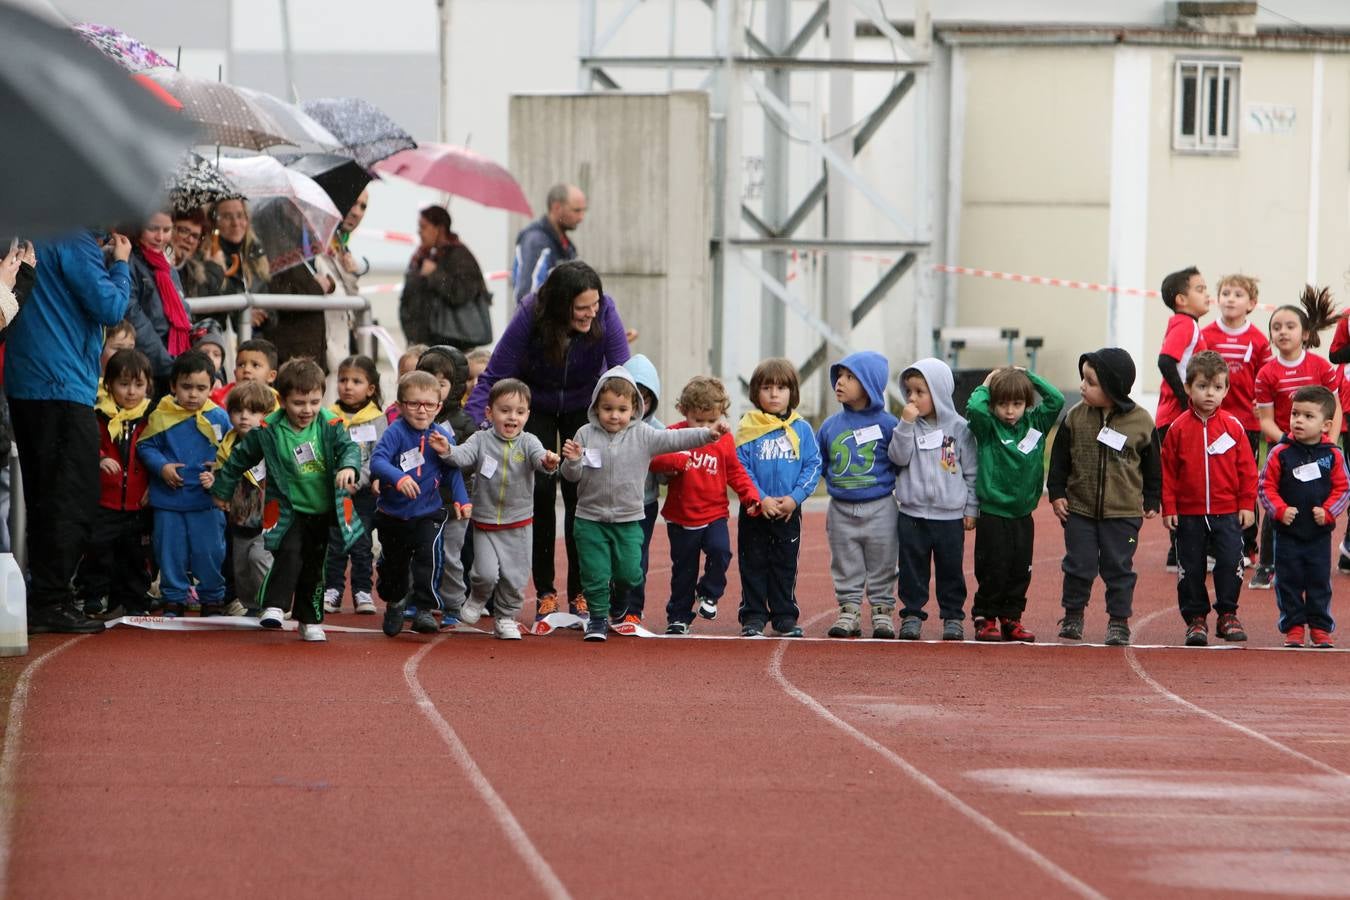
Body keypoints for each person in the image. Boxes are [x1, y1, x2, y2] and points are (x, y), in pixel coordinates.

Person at [466, 260, 630, 622]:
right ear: (559, 305)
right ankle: (545, 591)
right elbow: (496, 373)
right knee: (538, 491)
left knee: (581, 496)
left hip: (582, 406)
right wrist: (473, 424)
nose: (591, 314)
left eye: (595, 305)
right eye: (581, 308)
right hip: (535, 404)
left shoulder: (606, 312)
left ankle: (582, 591)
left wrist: (637, 423)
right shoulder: (531, 313)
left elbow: (622, 371)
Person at [8, 229, 132, 633]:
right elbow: (110, 307)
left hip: (27, 381)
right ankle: (51, 599)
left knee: (45, 496)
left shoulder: (29, 229)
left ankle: (46, 594)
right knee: (71, 497)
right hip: (61, 383)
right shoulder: (73, 237)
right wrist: (121, 265)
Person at [561, 366, 725, 642]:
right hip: (590, 519)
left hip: (628, 519)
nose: (614, 415)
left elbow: (675, 438)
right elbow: (570, 476)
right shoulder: (585, 434)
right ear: (596, 407)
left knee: (629, 573)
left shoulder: (643, 435)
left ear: (634, 408)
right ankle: (598, 619)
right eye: (607, 408)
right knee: (595, 572)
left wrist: (708, 434)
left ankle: (618, 601)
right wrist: (573, 461)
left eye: (622, 409)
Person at [212, 358, 362, 642]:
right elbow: (238, 459)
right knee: (289, 552)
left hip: (322, 510)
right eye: (298, 403)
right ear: (282, 400)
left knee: (314, 567)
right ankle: (274, 605)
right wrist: (222, 490)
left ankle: (310, 620)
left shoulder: (329, 424)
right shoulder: (268, 431)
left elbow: (348, 449)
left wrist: (348, 467)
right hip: (288, 510)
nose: (307, 410)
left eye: (314, 402)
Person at [1047, 348, 1162, 646]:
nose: (1082, 386)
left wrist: (1152, 497)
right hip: (1080, 510)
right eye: (1082, 378)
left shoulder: (1141, 422)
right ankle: (1073, 615)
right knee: (1078, 565)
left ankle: (1118, 621)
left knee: (1118, 568)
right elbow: (1059, 459)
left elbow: (1153, 465)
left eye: (1091, 381)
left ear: (1113, 387)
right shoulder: (1075, 417)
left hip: (1122, 513)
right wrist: (1057, 493)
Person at [432, 378, 561, 639]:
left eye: (520, 412)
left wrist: (548, 461)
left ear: (527, 415)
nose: (512, 417)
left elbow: (540, 459)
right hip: (486, 522)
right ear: (490, 413)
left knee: (515, 578)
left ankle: (505, 617)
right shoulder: (480, 439)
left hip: (519, 524)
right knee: (484, 573)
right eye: (505, 410)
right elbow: (462, 456)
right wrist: (447, 451)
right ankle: (477, 598)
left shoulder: (529, 442)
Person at [1160, 351, 1256, 647]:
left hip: (1227, 512)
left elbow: (1247, 470)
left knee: (1230, 562)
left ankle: (1227, 613)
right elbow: (1168, 472)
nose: (1210, 393)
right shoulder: (1177, 428)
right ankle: (1196, 619)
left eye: (1217, 387)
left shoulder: (1234, 427)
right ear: (1188, 388)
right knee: (1190, 567)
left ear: (1227, 389)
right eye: (1202, 386)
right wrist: (1170, 507)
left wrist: (1246, 504)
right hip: (1189, 514)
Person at [651, 375, 760, 635]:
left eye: (712, 420)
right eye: (698, 421)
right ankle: (678, 616)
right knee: (683, 571)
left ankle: (709, 594)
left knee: (721, 551)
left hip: (714, 514)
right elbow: (654, 460)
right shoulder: (674, 434)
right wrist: (676, 461)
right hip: (681, 518)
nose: (706, 427)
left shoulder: (723, 439)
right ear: (683, 411)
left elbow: (735, 472)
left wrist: (750, 497)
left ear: (721, 414)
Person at [1250, 286, 1343, 590]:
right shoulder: (1266, 374)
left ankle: (1316, 562)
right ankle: (1266, 564)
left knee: (1316, 503)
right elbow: (1265, 421)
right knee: (1276, 503)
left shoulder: (1320, 367)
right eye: (1276, 327)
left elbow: (1336, 407)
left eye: (1290, 326)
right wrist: (1291, 443)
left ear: (1305, 333)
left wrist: (1327, 441)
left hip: (1321, 449)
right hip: (1285, 449)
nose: (1282, 332)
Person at [966, 365, 1064, 643]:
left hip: (1023, 514)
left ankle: (1012, 617)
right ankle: (985, 617)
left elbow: (1056, 399)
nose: (1010, 411)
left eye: (1017, 404)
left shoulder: (1037, 424)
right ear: (994, 405)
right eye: (1003, 404)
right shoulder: (988, 428)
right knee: (993, 567)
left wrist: (1029, 376)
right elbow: (974, 408)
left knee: (1020, 568)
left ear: (1027, 403)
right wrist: (987, 382)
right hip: (994, 513)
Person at [372, 371, 470, 637]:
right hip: (393, 514)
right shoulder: (395, 433)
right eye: (414, 404)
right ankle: (395, 601)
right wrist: (398, 477)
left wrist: (462, 498)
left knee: (429, 559)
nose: (421, 410)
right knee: (395, 567)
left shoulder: (441, 436)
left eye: (429, 404)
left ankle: (424, 608)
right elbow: (377, 462)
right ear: (401, 405)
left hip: (428, 512)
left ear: (438, 406)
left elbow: (452, 470)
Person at [136, 350, 232, 618]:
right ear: (173, 386)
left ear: (212, 387)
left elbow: (231, 451)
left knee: (210, 551)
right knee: (170, 551)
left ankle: (212, 598)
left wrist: (219, 470)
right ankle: (174, 598)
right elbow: (146, 446)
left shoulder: (220, 417)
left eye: (201, 388)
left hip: (207, 501)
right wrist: (162, 467)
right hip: (169, 499)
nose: (193, 394)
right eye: (186, 387)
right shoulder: (161, 415)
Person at [890, 358, 979, 642]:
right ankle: (912, 614)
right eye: (909, 392)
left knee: (951, 569)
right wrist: (905, 424)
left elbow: (971, 471)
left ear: (939, 392)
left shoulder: (960, 428)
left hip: (949, 516)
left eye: (920, 392)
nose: (912, 398)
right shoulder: (908, 427)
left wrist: (971, 507)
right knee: (912, 568)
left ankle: (953, 616)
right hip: (912, 514)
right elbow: (898, 457)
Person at [734, 358, 822, 638]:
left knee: (785, 564)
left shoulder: (802, 429)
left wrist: (795, 498)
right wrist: (760, 498)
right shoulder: (747, 428)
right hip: (754, 511)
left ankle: (784, 615)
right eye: (767, 387)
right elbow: (740, 467)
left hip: (787, 511)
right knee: (753, 563)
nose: (774, 394)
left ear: (792, 392)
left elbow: (813, 464)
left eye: (781, 388)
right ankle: (754, 615)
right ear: (755, 393)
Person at [815, 352, 900, 639]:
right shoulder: (829, 426)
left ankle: (882, 612)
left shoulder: (889, 425)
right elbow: (820, 462)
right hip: (840, 508)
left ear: (869, 384)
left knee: (884, 560)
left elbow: (900, 460)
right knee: (844, 561)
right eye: (839, 376)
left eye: (850, 377)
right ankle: (849, 610)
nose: (840, 382)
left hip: (880, 507)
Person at [1259, 386, 1349, 648]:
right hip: (1287, 534)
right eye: (1295, 414)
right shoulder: (1280, 453)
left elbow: (1343, 488)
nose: (1298, 420)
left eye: (1308, 416)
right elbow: (1265, 487)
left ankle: (1320, 627)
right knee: (1288, 581)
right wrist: (1279, 509)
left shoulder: (1333, 455)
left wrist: (1330, 511)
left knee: (1319, 580)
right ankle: (1294, 626)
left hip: (1319, 535)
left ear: (1326, 424)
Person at [1201, 274, 1270, 568]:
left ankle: (1247, 545)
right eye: (1225, 293)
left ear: (1251, 303)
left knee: (1244, 483)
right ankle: (1210, 545)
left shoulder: (1258, 339)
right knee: (1211, 481)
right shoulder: (1206, 334)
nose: (1230, 298)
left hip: (1247, 425)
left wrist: (1264, 405)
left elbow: (1266, 379)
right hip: (1211, 423)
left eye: (1238, 294)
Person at [78, 349, 154, 617]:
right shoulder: (99, 415)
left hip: (137, 503)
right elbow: (85, 444)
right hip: (105, 499)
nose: (131, 392)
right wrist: (99, 459)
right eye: (123, 384)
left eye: (138, 384)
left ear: (148, 386)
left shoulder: (153, 418)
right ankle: (93, 595)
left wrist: (153, 487)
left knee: (135, 554)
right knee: (99, 549)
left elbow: (160, 455)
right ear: (108, 385)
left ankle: (133, 599)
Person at [322, 356, 386, 615]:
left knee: (360, 543)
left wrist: (358, 481)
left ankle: (362, 590)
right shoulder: (328, 417)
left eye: (356, 381)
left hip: (362, 495)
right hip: (334, 493)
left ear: (370, 389)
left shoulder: (377, 419)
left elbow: (378, 456)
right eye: (343, 380)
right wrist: (334, 480)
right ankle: (333, 589)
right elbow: (323, 453)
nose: (348, 386)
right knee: (335, 543)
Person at [1156, 266, 1210, 571]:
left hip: (1175, 416)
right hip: (1176, 418)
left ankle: (1181, 548)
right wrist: (1185, 398)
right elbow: (1166, 360)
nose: (1207, 295)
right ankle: (1179, 549)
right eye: (1200, 289)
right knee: (1184, 480)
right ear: (1181, 299)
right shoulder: (1186, 325)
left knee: (1185, 479)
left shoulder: (1188, 325)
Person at [417, 345, 473, 618]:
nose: (435, 390)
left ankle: (453, 604)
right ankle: (420, 600)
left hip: (452, 504)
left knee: (451, 557)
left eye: (442, 383)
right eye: (429, 382)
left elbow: (467, 464)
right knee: (421, 553)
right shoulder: (413, 419)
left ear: (455, 386)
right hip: (420, 503)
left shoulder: (463, 423)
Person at [609, 354, 663, 626]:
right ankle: (609, 603)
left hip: (644, 504)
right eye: (634, 398)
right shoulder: (607, 427)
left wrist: (669, 468)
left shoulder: (656, 430)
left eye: (646, 398)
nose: (640, 405)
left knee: (636, 558)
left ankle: (634, 608)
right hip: (610, 504)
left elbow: (665, 472)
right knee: (609, 557)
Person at [216, 380, 275, 616]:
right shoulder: (228, 445)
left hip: (267, 517)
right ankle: (252, 605)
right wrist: (216, 484)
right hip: (240, 517)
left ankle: (273, 602)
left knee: (259, 558)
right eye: (238, 411)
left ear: (267, 414)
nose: (244, 417)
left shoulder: (272, 441)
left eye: (252, 411)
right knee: (240, 567)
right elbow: (221, 474)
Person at [398, 205, 492, 350]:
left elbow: (460, 294)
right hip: (421, 343)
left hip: (453, 346)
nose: (419, 232)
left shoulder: (460, 256)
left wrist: (435, 274)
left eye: (424, 227)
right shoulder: (421, 257)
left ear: (439, 229)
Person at [125, 209, 192, 389]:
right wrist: (166, 363)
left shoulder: (168, 268)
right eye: (153, 229)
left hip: (173, 361)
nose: (160, 237)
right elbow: (134, 318)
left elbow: (184, 315)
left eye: (167, 230)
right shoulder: (126, 261)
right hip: (146, 368)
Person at [513, 183, 585, 302]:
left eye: (583, 210)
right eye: (576, 210)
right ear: (557, 207)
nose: (581, 217)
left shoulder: (565, 244)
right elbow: (527, 297)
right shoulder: (536, 242)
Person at [209, 197, 270, 333]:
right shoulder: (208, 259)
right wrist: (241, 317)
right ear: (215, 222)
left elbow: (272, 312)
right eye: (226, 217)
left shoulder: (256, 255)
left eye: (240, 215)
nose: (235, 223)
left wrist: (262, 316)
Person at [170, 208, 225, 299]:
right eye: (184, 231)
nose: (190, 240)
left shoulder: (194, 272)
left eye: (195, 236)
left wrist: (214, 267)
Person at [212, 337, 279, 408]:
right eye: (241, 365)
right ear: (235, 372)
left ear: (271, 376)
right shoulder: (218, 397)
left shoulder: (276, 405)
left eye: (255, 365)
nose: (246, 369)